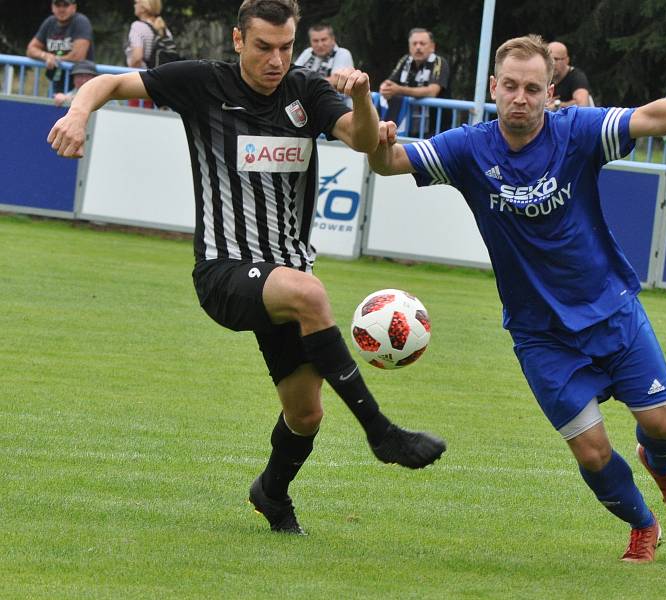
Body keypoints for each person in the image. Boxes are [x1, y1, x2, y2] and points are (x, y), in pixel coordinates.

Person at [46, 0, 445, 536]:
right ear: (238, 41)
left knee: (305, 416)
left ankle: (271, 494)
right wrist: (76, 113)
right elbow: (109, 85)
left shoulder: (306, 91)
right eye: (263, 47)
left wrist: (361, 99)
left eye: (285, 47)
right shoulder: (202, 83)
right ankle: (381, 432)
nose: (276, 59)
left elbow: (364, 139)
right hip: (224, 271)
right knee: (311, 294)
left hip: (283, 275)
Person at [368, 34, 666, 562]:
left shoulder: (576, 133)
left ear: (550, 92)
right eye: (510, 86)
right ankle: (642, 524)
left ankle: (662, 463)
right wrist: (371, 128)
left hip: (611, 310)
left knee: (661, 426)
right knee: (592, 450)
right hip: (541, 336)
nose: (520, 97)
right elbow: (387, 160)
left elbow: (650, 117)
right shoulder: (467, 148)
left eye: (532, 88)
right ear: (493, 87)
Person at [379, 28, 450, 137]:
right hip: (409, 126)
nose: (418, 47)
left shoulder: (439, 62)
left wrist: (399, 90)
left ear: (432, 47)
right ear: (409, 46)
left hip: (436, 128)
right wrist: (384, 88)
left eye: (422, 44)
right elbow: (389, 83)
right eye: (414, 44)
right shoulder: (406, 60)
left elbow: (432, 91)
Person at [26, 0, 94, 92]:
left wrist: (55, 59)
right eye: (58, 5)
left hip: (80, 83)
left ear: (74, 7)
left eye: (65, 5)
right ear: (52, 7)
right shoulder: (50, 22)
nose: (61, 9)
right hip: (57, 82)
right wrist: (46, 56)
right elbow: (31, 49)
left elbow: (78, 56)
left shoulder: (81, 22)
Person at [125, 0, 174, 108]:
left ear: (143, 7)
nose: (134, 5)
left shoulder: (138, 26)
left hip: (140, 83)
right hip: (160, 85)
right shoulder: (164, 29)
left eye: (136, 2)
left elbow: (137, 57)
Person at [294, 23, 354, 107]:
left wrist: (303, 82)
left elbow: (335, 81)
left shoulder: (342, 53)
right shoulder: (308, 53)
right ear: (310, 41)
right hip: (310, 105)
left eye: (324, 40)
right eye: (315, 41)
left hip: (338, 105)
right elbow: (292, 75)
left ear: (332, 39)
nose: (320, 45)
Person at [546, 41, 591, 110]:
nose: (552, 63)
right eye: (549, 59)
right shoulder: (543, 77)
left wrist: (557, 105)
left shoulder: (577, 77)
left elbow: (583, 104)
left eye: (556, 59)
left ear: (567, 60)